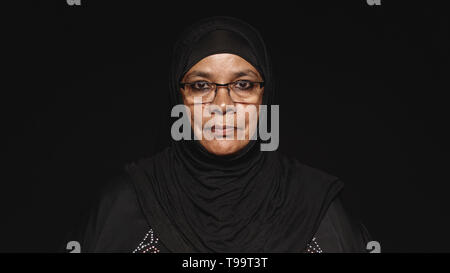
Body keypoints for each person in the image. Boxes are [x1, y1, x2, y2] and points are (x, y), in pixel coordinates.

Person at [72, 16, 371, 253]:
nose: (223, 105)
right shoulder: (127, 202)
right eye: (201, 86)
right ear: (178, 98)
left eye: (243, 85)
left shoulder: (316, 205)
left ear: (265, 96)